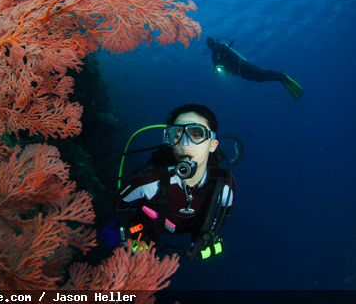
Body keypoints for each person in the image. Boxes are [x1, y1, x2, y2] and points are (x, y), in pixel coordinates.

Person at [115, 104, 236, 260]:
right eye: (176, 133)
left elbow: (224, 213)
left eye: (197, 133)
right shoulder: (149, 182)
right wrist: (124, 235)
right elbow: (120, 202)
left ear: (212, 145)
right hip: (152, 224)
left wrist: (209, 235)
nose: (184, 143)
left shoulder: (224, 187)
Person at [206, 37, 304, 100]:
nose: (212, 45)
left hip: (242, 65)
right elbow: (216, 69)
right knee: (259, 79)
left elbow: (233, 54)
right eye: (210, 44)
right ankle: (280, 79)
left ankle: (281, 75)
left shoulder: (222, 46)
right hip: (239, 73)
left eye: (212, 43)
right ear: (209, 47)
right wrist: (218, 70)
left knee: (261, 73)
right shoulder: (214, 56)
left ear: (215, 41)